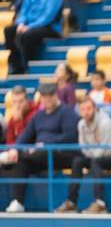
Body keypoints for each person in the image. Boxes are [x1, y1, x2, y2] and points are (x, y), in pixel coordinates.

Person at [4, 83, 79, 213]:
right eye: (45, 96)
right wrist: (15, 148)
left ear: (56, 95)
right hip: (42, 155)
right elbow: (25, 136)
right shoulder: (38, 116)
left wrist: (46, 144)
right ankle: (17, 202)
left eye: (51, 95)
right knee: (19, 161)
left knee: (29, 155)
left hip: (63, 153)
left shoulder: (67, 112)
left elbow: (69, 136)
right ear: (41, 98)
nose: (48, 99)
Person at [55, 98, 111, 213]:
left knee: (96, 162)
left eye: (88, 108)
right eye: (82, 109)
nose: (86, 112)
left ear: (95, 108)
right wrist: (92, 154)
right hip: (97, 156)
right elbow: (83, 148)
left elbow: (107, 150)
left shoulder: (105, 122)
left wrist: (92, 154)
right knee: (77, 161)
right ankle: (71, 202)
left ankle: (100, 203)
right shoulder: (81, 124)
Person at [4, 0, 63, 74]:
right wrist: (21, 23)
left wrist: (29, 27)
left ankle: (29, 66)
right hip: (30, 25)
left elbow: (47, 17)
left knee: (27, 35)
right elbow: (24, 10)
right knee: (9, 31)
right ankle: (16, 66)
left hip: (49, 28)